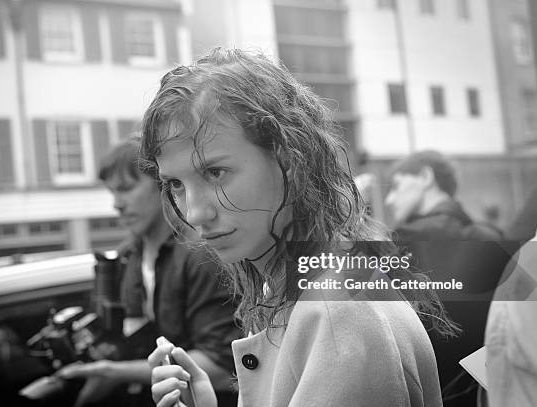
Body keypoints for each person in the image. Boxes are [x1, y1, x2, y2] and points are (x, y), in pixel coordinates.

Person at [141, 48, 453, 407]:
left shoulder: (337, 317)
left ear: (289, 160)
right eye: (176, 185)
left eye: (215, 172)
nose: (195, 213)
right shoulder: (301, 285)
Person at [57, 139, 240, 407]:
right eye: (112, 192)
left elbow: (223, 367)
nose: (117, 204)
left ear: (162, 184)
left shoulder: (202, 254)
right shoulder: (124, 258)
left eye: (126, 189)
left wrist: (116, 373)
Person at [385, 151, 506, 407]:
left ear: (426, 177)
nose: (389, 199)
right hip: (487, 391)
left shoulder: (402, 242)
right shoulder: (494, 237)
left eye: (396, 186)